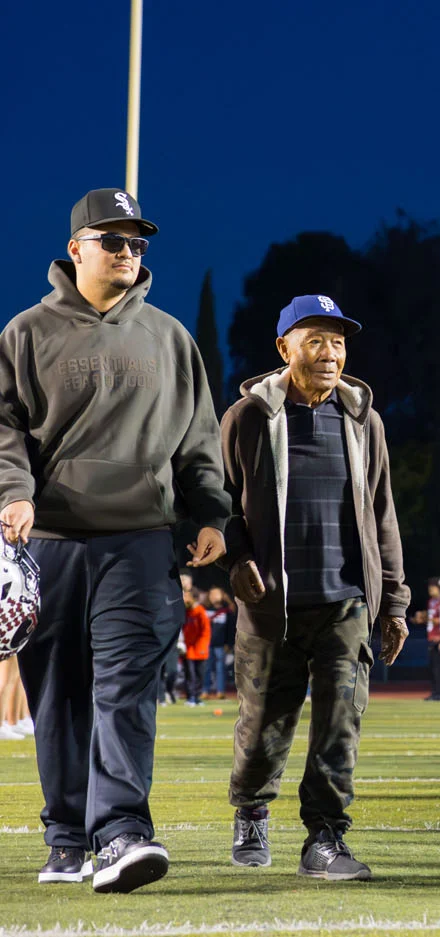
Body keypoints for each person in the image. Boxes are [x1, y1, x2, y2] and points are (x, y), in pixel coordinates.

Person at [0, 189, 230, 893]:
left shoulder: (169, 338)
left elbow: (197, 438)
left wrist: (212, 513)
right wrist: (13, 490)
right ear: (76, 248)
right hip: (54, 540)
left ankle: (122, 830)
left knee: (126, 688)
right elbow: (4, 425)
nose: (128, 252)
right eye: (113, 240)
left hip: (141, 537)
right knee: (61, 695)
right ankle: (66, 837)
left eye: (137, 242)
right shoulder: (27, 333)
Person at [220, 294, 410, 880]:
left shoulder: (363, 419)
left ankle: (324, 838)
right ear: (284, 349)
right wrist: (234, 561)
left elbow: (382, 513)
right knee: (263, 728)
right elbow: (218, 503)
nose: (330, 354)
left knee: (340, 725)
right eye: (315, 341)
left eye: (338, 342)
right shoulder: (247, 418)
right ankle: (252, 809)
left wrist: (395, 602)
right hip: (271, 606)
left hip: (346, 602)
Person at [181, 580, 211, 707]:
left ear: (193, 598)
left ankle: (197, 697)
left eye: (186, 595)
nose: (184, 598)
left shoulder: (200, 612)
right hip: (188, 648)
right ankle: (191, 697)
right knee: (190, 674)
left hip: (200, 648)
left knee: (199, 674)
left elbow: (206, 631)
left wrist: (203, 646)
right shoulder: (185, 611)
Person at [205, 587, 236, 700]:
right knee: (206, 668)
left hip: (221, 645)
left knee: (220, 669)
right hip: (206, 644)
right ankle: (205, 691)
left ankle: (220, 691)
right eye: (212, 594)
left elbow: (231, 629)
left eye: (217, 594)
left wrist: (229, 643)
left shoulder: (227, 610)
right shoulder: (205, 609)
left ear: (222, 596)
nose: (214, 597)